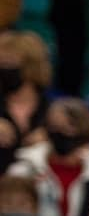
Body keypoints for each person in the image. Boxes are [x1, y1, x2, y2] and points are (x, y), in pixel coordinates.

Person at [0, 31, 51, 175]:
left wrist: (50, 142)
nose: (2, 67)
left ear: (31, 67)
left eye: (9, 61)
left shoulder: (52, 110)